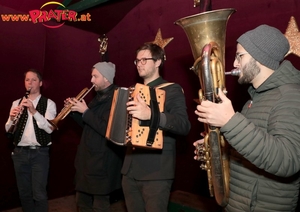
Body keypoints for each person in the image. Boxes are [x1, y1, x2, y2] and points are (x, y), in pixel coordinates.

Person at [194, 24, 300, 211]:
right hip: (238, 203)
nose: (234, 64)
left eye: (240, 56)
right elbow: (252, 146)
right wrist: (216, 146)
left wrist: (230, 122)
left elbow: (288, 160)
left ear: (260, 58)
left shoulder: (291, 96)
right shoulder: (254, 99)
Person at [121, 43, 191, 212]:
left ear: (158, 62)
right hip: (129, 171)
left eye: (144, 59)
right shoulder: (132, 92)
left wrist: (152, 115)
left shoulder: (172, 90)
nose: (139, 63)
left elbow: (184, 125)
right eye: (137, 60)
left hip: (156, 172)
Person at [66, 62, 123, 212]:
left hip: (102, 161)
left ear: (106, 78)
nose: (91, 80)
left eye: (95, 76)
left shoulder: (117, 97)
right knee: (82, 202)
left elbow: (108, 128)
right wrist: (74, 112)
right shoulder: (98, 97)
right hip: (88, 160)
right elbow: (89, 126)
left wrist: (85, 112)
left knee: (100, 205)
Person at [5, 69, 57, 212]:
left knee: (39, 194)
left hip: (39, 154)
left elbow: (49, 129)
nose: (30, 83)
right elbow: (8, 130)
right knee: (24, 193)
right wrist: (11, 118)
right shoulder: (16, 103)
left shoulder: (49, 104)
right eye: (27, 80)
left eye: (34, 80)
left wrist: (34, 112)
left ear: (40, 83)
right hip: (20, 153)